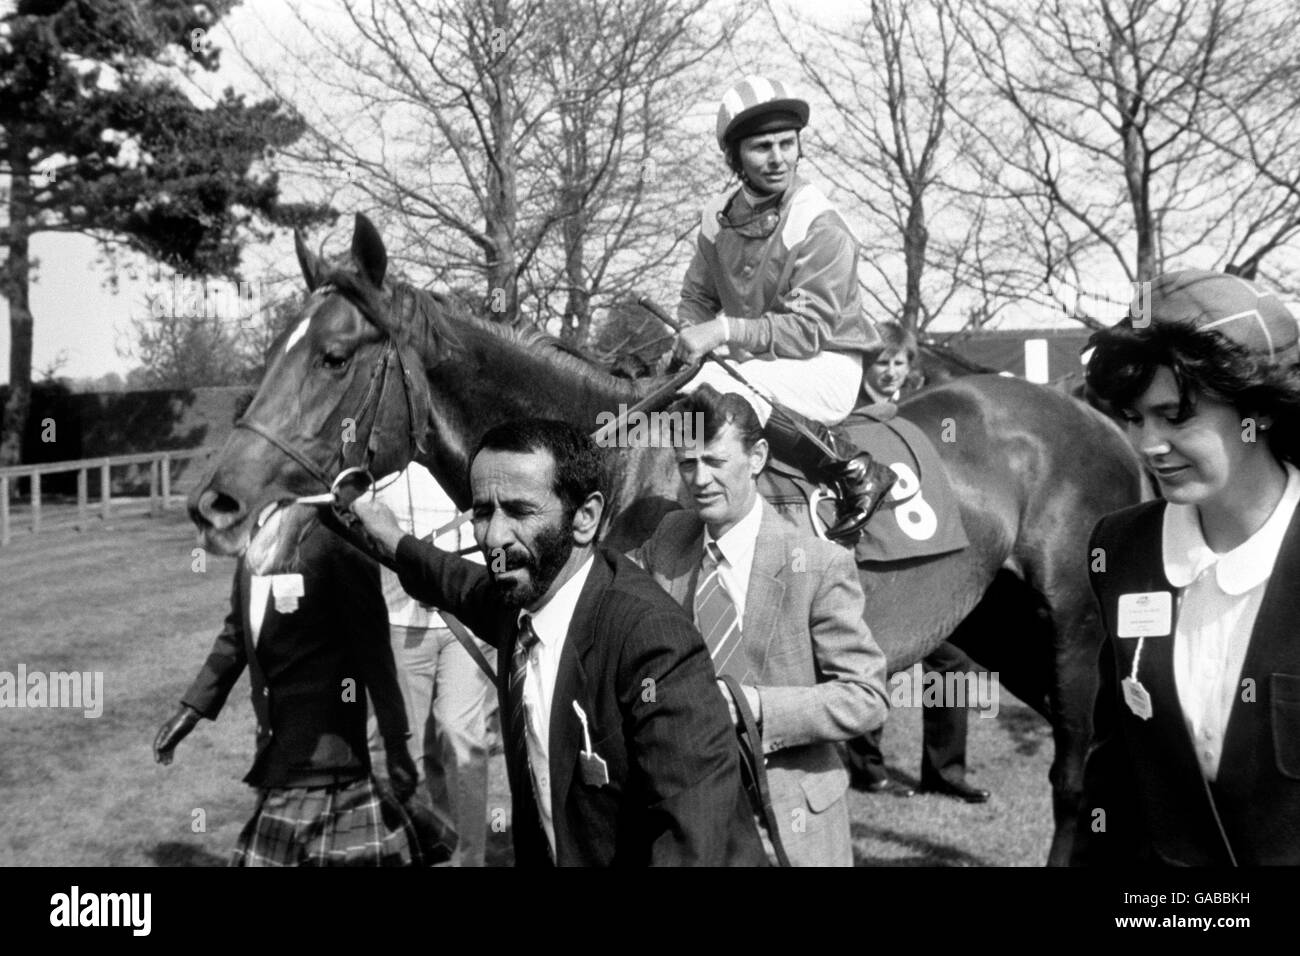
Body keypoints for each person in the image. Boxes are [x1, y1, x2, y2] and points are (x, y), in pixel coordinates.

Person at [348, 418, 767, 867]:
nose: (493, 538)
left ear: (585, 518)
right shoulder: (522, 598)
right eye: (483, 513)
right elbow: (455, 581)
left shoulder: (652, 642)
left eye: (519, 512)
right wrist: (392, 538)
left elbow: (695, 840)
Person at [1074, 268, 1300, 866]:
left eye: (1175, 416)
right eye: (1134, 416)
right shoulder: (1121, 550)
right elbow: (1113, 762)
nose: (1148, 444)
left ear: (1261, 410)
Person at [631, 385, 889, 866]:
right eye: (688, 464)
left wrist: (758, 708)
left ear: (757, 457)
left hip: (789, 821)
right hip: (690, 817)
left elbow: (867, 698)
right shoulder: (669, 540)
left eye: (715, 461)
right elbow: (602, 589)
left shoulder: (818, 562)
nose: (700, 479)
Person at [674, 75, 896, 543]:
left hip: (825, 363)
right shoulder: (716, 219)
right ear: (735, 156)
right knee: (684, 386)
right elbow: (697, 296)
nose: (778, 158)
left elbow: (808, 331)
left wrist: (720, 332)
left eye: (787, 143)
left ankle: (853, 468)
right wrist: (690, 336)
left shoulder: (821, 224)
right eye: (761, 147)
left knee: (719, 388)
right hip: (760, 362)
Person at [153, 521, 421, 866]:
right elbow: (236, 634)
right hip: (275, 754)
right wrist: (190, 711)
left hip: (328, 762)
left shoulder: (340, 543)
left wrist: (396, 742)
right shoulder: (254, 545)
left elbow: (375, 654)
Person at [848, 323, 992, 803]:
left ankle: (945, 771)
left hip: (924, 553)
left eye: (899, 363)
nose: (890, 373)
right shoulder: (845, 416)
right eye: (882, 362)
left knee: (952, 659)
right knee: (877, 660)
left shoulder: (917, 419)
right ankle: (865, 767)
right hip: (872, 558)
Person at [366, 463, 497, 867]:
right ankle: (426, 847)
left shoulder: (461, 455)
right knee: (410, 750)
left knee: (460, 731)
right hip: (400, 621)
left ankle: (470, 858)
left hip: (465, 621)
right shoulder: (378, 468)